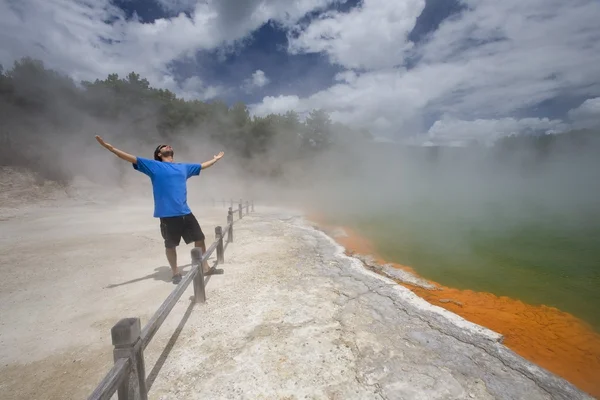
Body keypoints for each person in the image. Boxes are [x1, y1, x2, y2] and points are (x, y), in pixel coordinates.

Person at [95, 135, 224, 284]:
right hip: (167, 214)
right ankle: (175, 272)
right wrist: (110, 149)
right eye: (164, 146)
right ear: (158, 154)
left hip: (185, 211)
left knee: (200, 238)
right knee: (171, 245)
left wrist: (215, 160)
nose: (167, 145)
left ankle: (205, 267)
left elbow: (202, 165)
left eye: (169, 145)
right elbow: (130, 158)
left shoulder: (183, 167)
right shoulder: (153, 166)